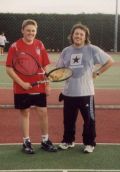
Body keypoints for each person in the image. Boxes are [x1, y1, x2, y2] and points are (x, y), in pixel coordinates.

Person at [56, 23, 114, 153]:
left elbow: (110, 61)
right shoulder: (66, 51)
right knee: (68, 120)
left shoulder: (92, 49)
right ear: (72, 35)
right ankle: (68, 141)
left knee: (89, 121)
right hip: (69, 93)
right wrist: (55, 76)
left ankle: (89, 143)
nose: (78, 36)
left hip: (86, 93)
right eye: (76, 33)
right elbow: (60, 70)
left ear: (85, 36)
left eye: (81, 34)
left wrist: (97, 72)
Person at [6, 19, 57, 154]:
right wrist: (22, 83)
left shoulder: (40, 44)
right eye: (28, 30)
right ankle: (26, 142)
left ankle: (45, 141)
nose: (30, 33)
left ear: (36, 32)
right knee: (25, 113)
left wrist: (47, 84)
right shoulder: (14, 46)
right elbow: (9, 68)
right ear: (22, 30)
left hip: (39, 86)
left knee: (43, 113)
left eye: (33, 31)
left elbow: (46, 65)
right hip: (21, 88)